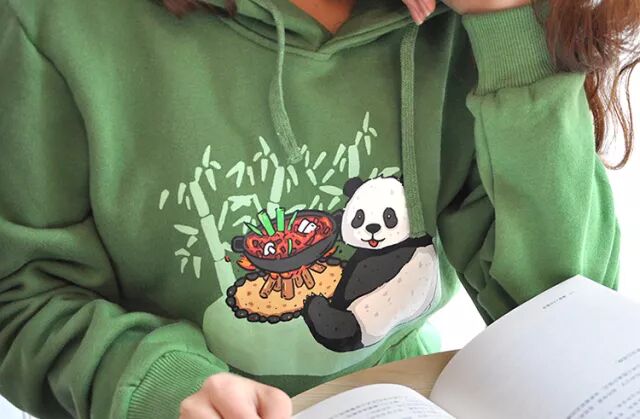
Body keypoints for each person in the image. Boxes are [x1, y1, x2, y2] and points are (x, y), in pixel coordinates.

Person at [0, 0, 638, 417]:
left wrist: (505, 24)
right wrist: (161, 388)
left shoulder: (461, 23)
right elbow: (25, 300)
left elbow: (566, 313)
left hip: (403, 397)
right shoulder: (54, 22)